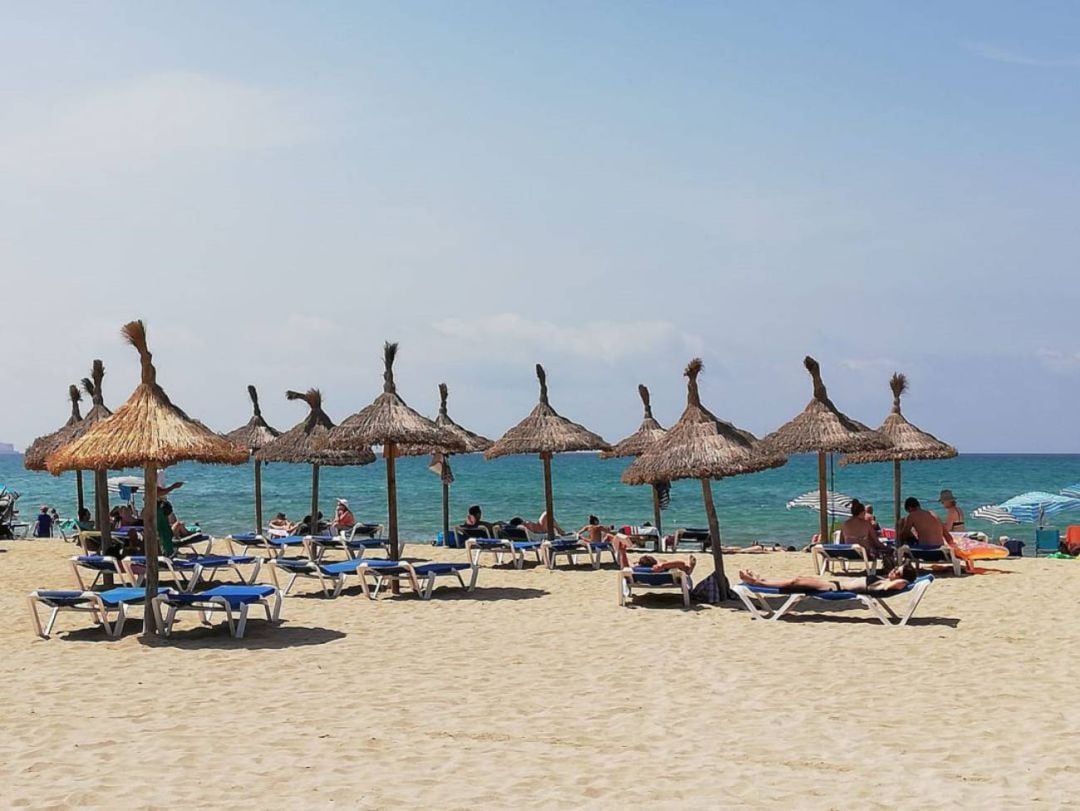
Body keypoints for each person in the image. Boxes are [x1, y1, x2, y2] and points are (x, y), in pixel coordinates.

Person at [739, 563, 918, 595]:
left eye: (897, 570)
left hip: (833, 589)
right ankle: (762, 581)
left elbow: (901, 583)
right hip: (831, 583)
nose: (893, 570)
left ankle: (758, 582)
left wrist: (905, 580)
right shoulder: (884, 581)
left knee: (795, 582)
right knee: (797, 580)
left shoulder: (887, 585)